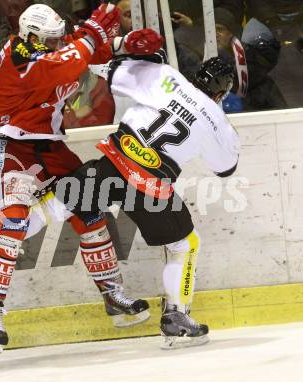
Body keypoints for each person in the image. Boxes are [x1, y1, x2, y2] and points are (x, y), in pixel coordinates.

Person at [0, 3, 164, 353]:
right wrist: (92, 35)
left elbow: (82, 51)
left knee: (89, 208)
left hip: (51, 148)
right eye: (50, 39)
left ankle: (111, 294)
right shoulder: (17, 54)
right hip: (13, 147)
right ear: (31, 36)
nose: (57, 44)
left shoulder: (52, 47)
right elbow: (62, 65)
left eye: (58, 39)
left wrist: (123, 44)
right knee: (14, 224)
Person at [54, 52, 240, 349]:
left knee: (60, 201)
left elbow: (108, 70)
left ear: (196, 77)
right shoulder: (217, 119)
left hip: (115, 163)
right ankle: (176, 317)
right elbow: (226, 167)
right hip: (150, 188)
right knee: (185, 243)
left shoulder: (168, 77)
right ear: (220, 93)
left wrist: (136, 56)